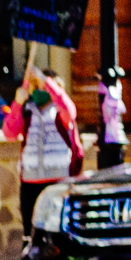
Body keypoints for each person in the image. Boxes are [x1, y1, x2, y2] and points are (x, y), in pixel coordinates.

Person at [2, 63, 84, 239]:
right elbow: (9, 133)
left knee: (58, 232)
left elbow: (70, 110)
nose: (41, 90)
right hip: (30, 182)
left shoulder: (61, 111)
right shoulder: (27, 111)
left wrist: (46, 81)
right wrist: (17, 102)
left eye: (45, 87)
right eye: (37, 86)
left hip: (58, 180)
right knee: (31, 234)